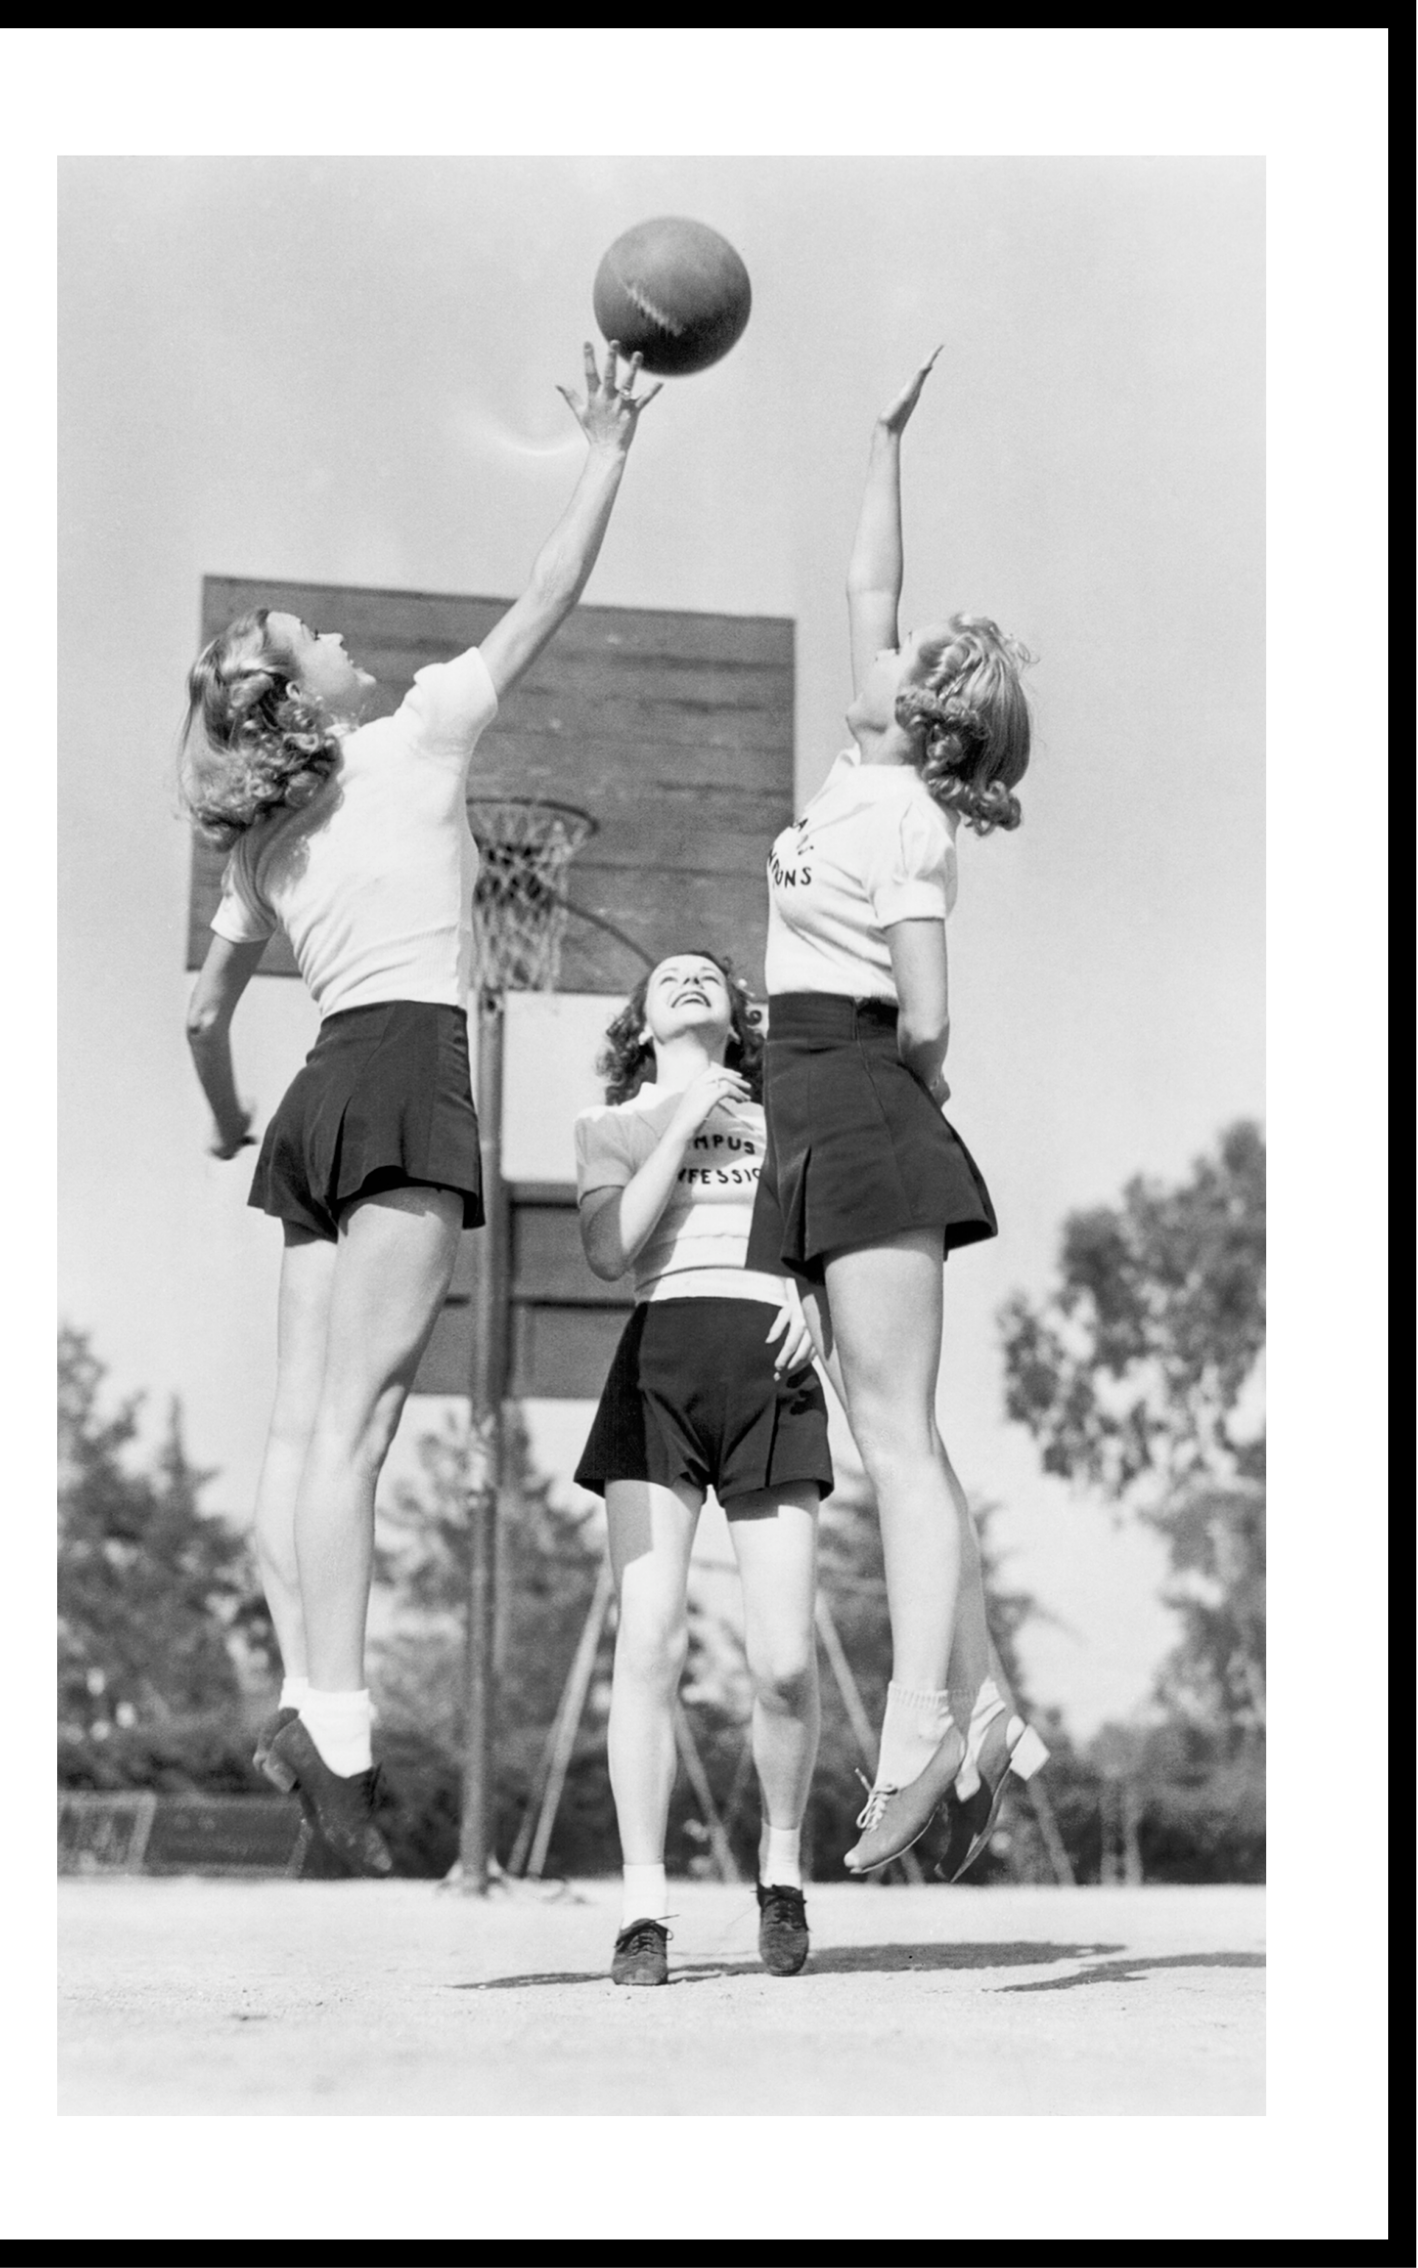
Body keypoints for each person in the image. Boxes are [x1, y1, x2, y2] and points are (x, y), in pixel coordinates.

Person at [180, 344, 659, 1874]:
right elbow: (551, 588)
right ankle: (336, 1722)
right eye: (303, 635)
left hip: (317, 1092)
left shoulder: (259, 854)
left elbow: (200, 1012)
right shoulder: (424, 735)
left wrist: (221, 1115)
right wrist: (606, 449)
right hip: (400, 1073)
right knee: (363, 1430)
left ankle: (309, 1696)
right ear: (295, 699)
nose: (332, 631)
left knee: (301, 1434)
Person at [746, 349, 1048, 1882]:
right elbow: (870, 577)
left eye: (911, 654)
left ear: (925, 714)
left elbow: (929, 1017)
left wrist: (893, 1112)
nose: (885, 643)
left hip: (860, 1099)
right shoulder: (858, 764)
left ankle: (930, 1718)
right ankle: (987, 1704)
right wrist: (878, 433)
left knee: (895, 1441)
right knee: (889, 1435)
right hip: (814, 1107)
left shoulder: (912, 822)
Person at [573, 951, 835, 1985]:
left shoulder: (789, 1118)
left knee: (782, 1662)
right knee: (648, 1643)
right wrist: (680, 1120)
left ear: (740, 1013)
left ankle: (781, 1872)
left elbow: (826, 1250)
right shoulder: (613, 1125)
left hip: (768, 1369)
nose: (686, 981)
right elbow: (608, 1249)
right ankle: (644, 1912)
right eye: (666, 977)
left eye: (706, 975)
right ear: (641, 1018)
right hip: (661, 1366)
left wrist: (814, 1295)